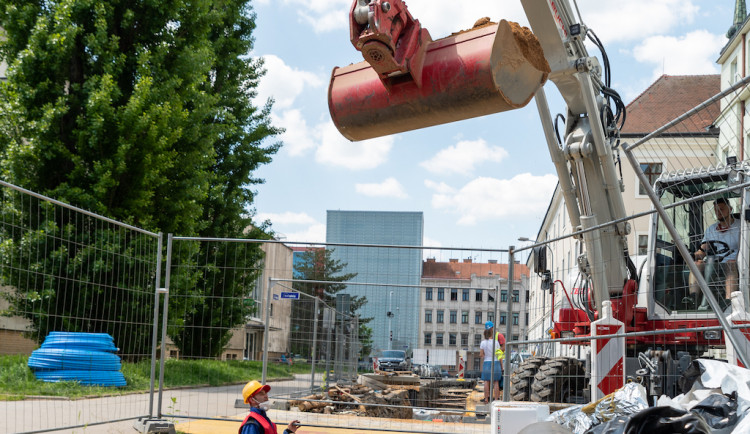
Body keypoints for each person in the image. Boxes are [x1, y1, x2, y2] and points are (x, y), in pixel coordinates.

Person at [692, 198, 740, 309]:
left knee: (730, 263)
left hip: (735, 262)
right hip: (714, 263)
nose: (718, 212)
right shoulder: (711, 229)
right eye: (716, 210)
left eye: (722, 209)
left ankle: (729, 302)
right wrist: (696, 254)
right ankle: (693, 298)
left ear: (730, 209)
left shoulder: (741, 226)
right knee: (696, 264)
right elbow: (703, 249)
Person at [479, 325, 502, 403]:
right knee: (496, 382)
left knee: (486, 381)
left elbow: (481, 354)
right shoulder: (496, 343)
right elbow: (499, 355)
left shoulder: (483, 343)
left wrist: (486, 355)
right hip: (496, 363)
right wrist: (502, 366)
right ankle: (496, 399)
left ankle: (486, 399)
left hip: (486, 363)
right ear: (492, 334)